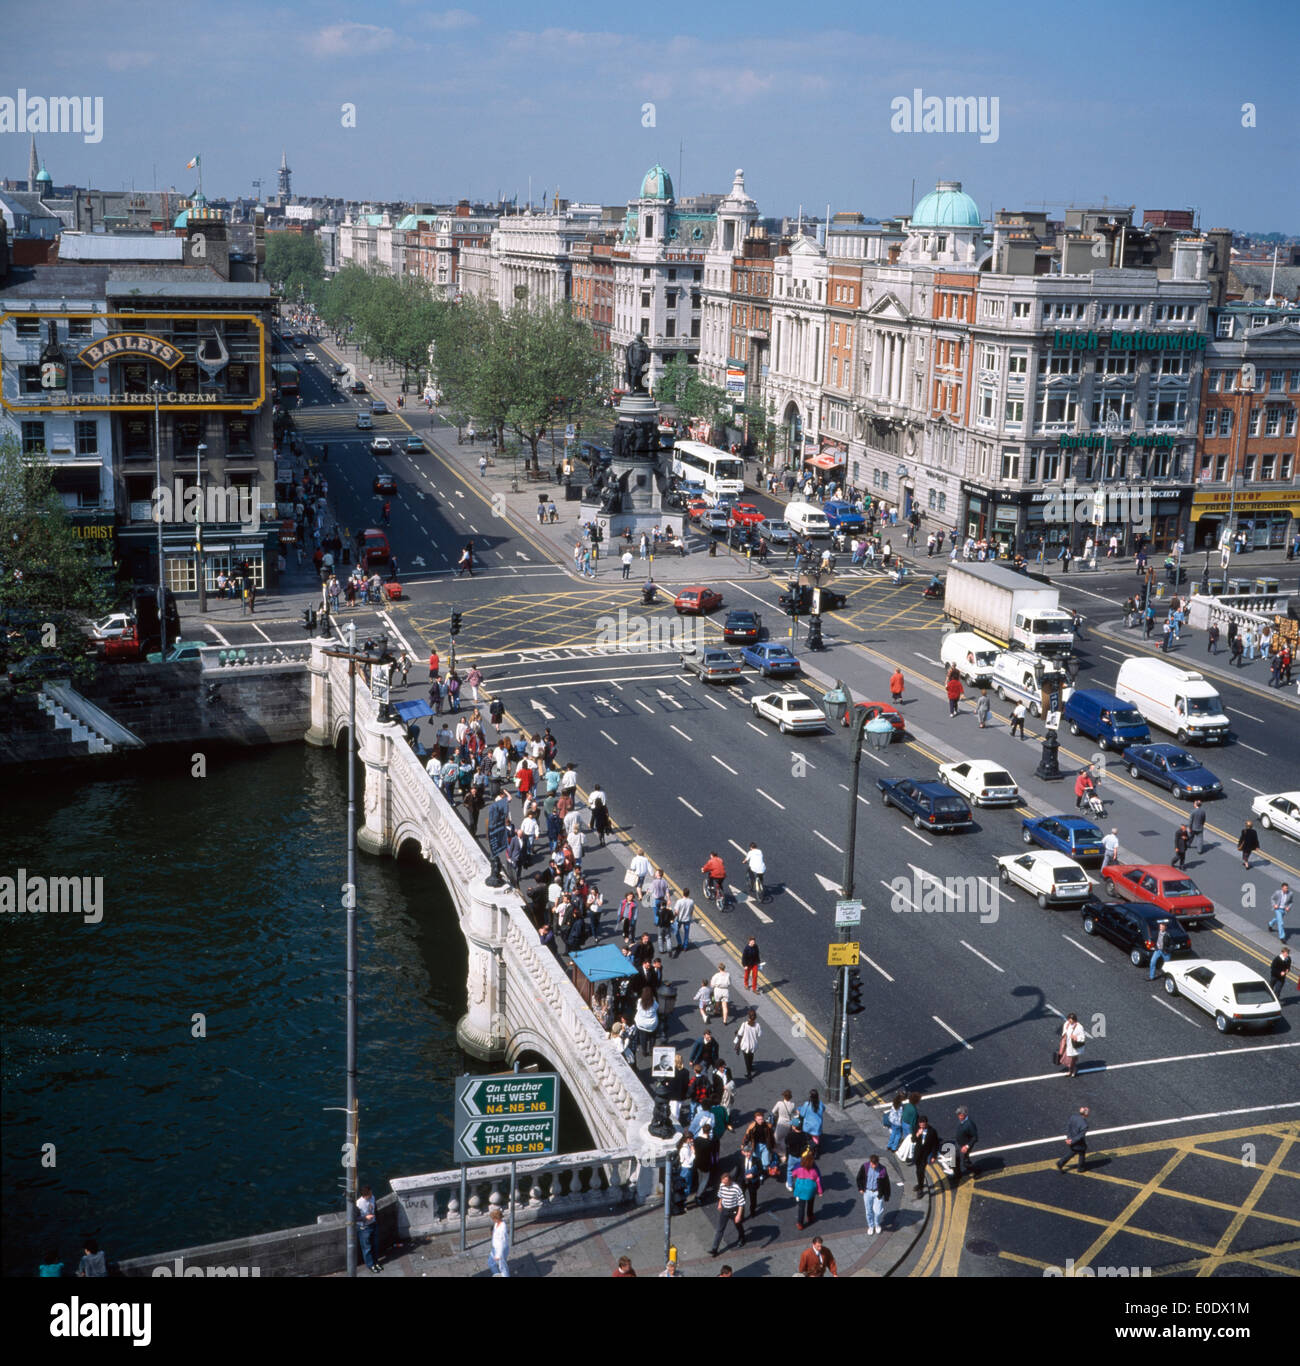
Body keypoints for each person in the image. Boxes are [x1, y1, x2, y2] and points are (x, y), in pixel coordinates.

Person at [857, 1153, 891, 1234]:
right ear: (870, 1162)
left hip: (877, 1192)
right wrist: (860, 1188)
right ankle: (871, 1226)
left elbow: (886, 1183)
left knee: (878, 1211)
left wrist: (886, 1195)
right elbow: (859, 1178)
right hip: (867, 1192)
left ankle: (877, 1224)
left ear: (878, 1162)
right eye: (872, 1164)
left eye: (875, 1164)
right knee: (868, 1211)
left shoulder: (883, 1169)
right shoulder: (865, 1166)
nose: (874, 1166)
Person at [791, 1149, 823, 1229]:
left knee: (801, 1207)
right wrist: (820, 1191)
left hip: (801, 1189)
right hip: (810, 1190)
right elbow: (818, 1181)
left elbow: (793, 1174)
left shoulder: (799, 1169)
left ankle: (800, 1223)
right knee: (810, 1204)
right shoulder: (814, 1171)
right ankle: (810, 1216)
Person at [912, 1115, 941, 1195]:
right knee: (918, 1171)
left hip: (926, 1154)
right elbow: (913, 1139)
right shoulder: (916, 1128)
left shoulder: (932, 1131)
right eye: (920, 1124)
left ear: (926, 1123)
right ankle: (920, 1184)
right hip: (918, 1153)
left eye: (923, 1124)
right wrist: (918, 1134)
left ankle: (920, 1189)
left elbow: (935, 1144)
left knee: (921, 1170)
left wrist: (934, 1156)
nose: (921, 1126)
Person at [1056, 1106, 1090, 1173]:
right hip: (1077, 1142)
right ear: (1085, 1114)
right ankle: (1080, 1168)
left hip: (1071, 1138)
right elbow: (1080, 1136)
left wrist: (1069, 1138)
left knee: (1073, 1151)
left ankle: (1061, 1163)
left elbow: (1068, 1127)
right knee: (1082, 1151)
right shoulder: (1085, 1125)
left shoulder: (1073, 1117)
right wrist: (1072, 1141)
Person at [734, 1009, 761, 1080]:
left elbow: (740, 1034)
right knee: (751, 1055)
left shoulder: (744, 1024)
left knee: (746, 1059)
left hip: (745, 1045)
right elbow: (759, 1034)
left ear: (748, 1016)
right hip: (753, 1044)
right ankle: (751, 1066)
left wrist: (737, 1044)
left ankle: (749, 1073)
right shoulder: (757, 1025)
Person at [953, 1106, 979, 1180]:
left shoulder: (970, 1124)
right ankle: (957, 1175)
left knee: (965, 1163)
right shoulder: (961, 1121)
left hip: (965, 1146)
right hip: (958, 1144)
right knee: (954, 1159)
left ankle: (977, 1171)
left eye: (961, 1115)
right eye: (958, 1115)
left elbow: (975, 1138)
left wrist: (967, 1146)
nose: (959, 1117)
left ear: (965, 1115)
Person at [1058, 1012, 1087, 1078]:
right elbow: (1064, 1033)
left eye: (1071, 1020)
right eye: (1069, 1019)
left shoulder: (1079, 1027)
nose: (1070, 1021)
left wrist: (1076, 1038)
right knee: (1069, 1059)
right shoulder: (1066, 1024)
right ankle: (1072, 1070)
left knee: (1072, 1060)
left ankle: (1072, 1071)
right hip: (1068, 1045)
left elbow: (1082, 1037)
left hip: (1075, 1047)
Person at [797, 1089, 825, 1155]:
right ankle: (816, 1150)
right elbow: (823, 1109)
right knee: (816, 1138)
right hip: (817, 1126)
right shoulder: (820, 1103)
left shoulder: (807, 1104)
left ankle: (810, 1149)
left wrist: (799, 1109)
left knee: (808, 1138)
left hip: (808, 1126)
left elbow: (802, 1114)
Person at [487, 1207, 510, 1277]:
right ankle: (497, 1274)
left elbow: (501, 1242)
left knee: (502, 1267)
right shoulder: (497, 1224)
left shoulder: (502, 1228)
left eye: (493, 1218)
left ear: (496, 1218)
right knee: (491, 1262)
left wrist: (498, 1254)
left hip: (500, 1250)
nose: (493, 1220)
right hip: (496, 1248)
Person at [672, 887, 695, 957]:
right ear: (688, 894)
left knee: (676, 931)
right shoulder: (691, 901)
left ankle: (679, 943)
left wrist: (673, 918)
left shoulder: (679, 901)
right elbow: (692, 910)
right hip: (687, 919)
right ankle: (685, 946)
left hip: (679, 919)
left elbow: (676, 912)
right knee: (686, 933)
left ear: (683, 893)